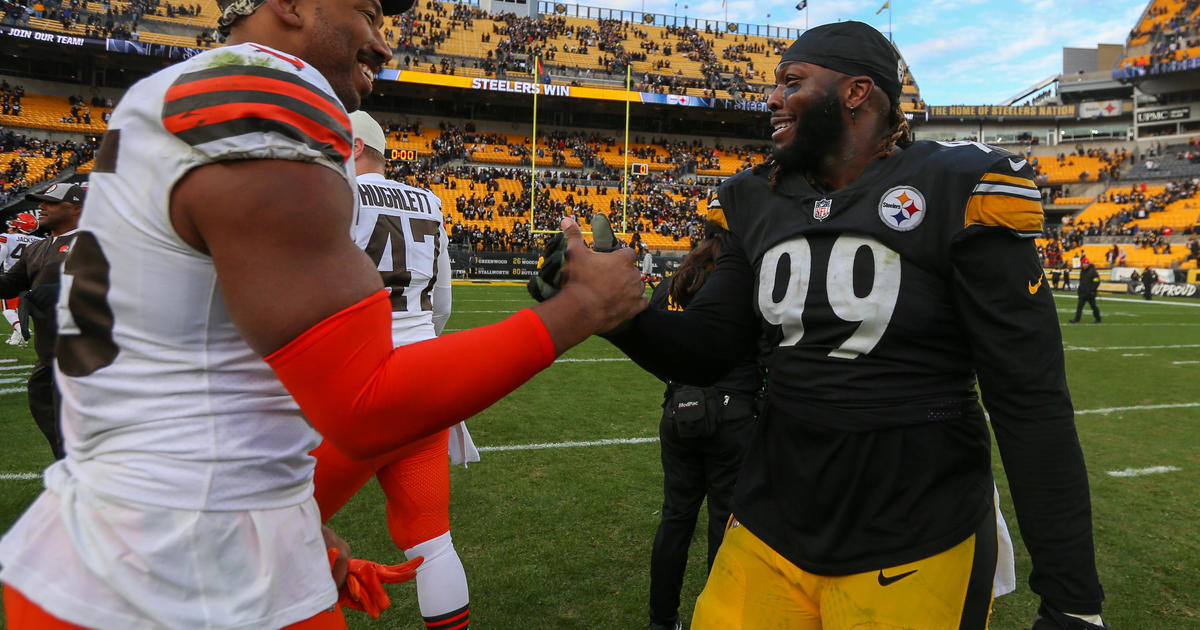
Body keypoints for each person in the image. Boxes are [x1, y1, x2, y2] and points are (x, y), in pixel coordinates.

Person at [0, 0, 646, 626]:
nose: (385, 43)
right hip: (192, 578)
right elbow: (364, 404)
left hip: (118, 537)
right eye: (366, 12)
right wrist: (582, 307)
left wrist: (284, 517)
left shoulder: (167, 93)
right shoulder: (261, 99)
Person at [586, 21, 1105, 630]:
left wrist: (1072, 597)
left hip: (915, 526)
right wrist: (619, 316)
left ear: (857, 93)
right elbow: (709, 350)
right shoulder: (756, 199)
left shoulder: (957, 185)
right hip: (773, 515)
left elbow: (1030, 398)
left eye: (792, 82)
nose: (772, 99)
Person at [310, 110, 475, 629]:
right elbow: (441, 306)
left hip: (354, 388)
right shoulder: (429, 200)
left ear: (354, 147)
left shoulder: (338, 195)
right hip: (422, 382)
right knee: (435, 543)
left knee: (271, 528)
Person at [646, 217, 759, 630]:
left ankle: (662, 620)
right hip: (732, 414)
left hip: (680, 410)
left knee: (676, 518)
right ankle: (717, 619)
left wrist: (679, 385)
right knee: (724, 522)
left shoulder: (677, 278)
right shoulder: (742, 278)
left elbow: (654, 335)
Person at [0, 182, 85, 460]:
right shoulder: (35, 249)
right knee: (54, 427)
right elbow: (9, 286)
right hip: (48, 356)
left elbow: (117, 286)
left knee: (84, 434)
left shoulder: (94, 241)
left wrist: (64, 291)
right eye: (40, 201)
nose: (41, 207)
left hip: (86, 357)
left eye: (49, 202)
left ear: (75, 208)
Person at [0, 211, 45, 345]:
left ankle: (21, 329)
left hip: (13, 277)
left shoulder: (7, 237)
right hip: (34, 278)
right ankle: (15, 338)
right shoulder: (41, 241)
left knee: (7, 309)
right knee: (21, 308)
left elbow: (1, 253)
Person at [1070, 259, 1101, 323]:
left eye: (1086, 264)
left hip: (1090, 293)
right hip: (1083, 293)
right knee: (1079, 307)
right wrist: (1080, 289)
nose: (1085, 265)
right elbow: (1082, 281)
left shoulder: (1093, 272)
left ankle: (1098, 319)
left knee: (1093, 307)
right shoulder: (1082, 271)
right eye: (1084, 263)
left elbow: (1096, 281)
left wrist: (1092, 290)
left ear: (1088, 264)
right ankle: (1076, 319)